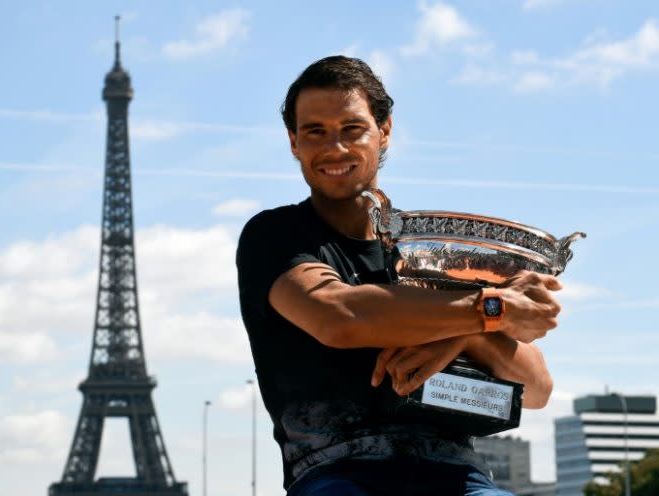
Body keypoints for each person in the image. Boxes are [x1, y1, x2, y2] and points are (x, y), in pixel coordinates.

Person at [236, 55, 561, 496]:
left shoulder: (432, 251)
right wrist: (493, 306)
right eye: (315, 132)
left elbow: (537, 387)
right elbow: (339, 316)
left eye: (352, 129)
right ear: (293, 141)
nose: (335, 148)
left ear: (384, 131)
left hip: (458, 476)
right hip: (337, 474)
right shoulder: (274, 236)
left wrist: (463, 335)